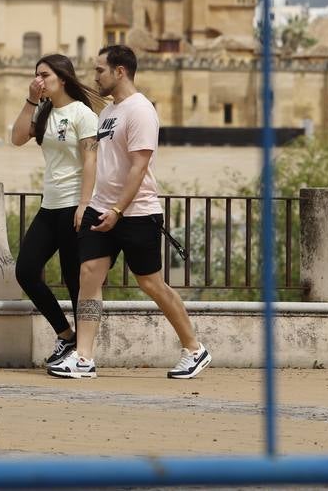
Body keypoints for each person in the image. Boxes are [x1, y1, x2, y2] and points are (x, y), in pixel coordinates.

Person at [48, 44, 211, 380]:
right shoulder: (109, 112)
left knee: (151, 283)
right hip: (100, 208)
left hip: (136, 212)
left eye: (100, 70)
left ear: (119, 71)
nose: (96, 76)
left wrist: (119, 210)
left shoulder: (140, 111)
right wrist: (92, 205)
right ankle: (84, 357)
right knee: (89, 275)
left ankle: (194, 348)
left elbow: (139, 167)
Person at [10, 53, 100, 368]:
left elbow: (91, 159)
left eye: (45, 75)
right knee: (25, 270)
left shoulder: (82, 113)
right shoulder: (45, 111)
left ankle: (82, 353)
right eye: (36, 75)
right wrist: (31, 100)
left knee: (75, 278)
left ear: (62, 78)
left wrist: (85, 204)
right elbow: (17, 138)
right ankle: (66, 334)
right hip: (50, 205)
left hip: (75, 204)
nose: (39, 80)